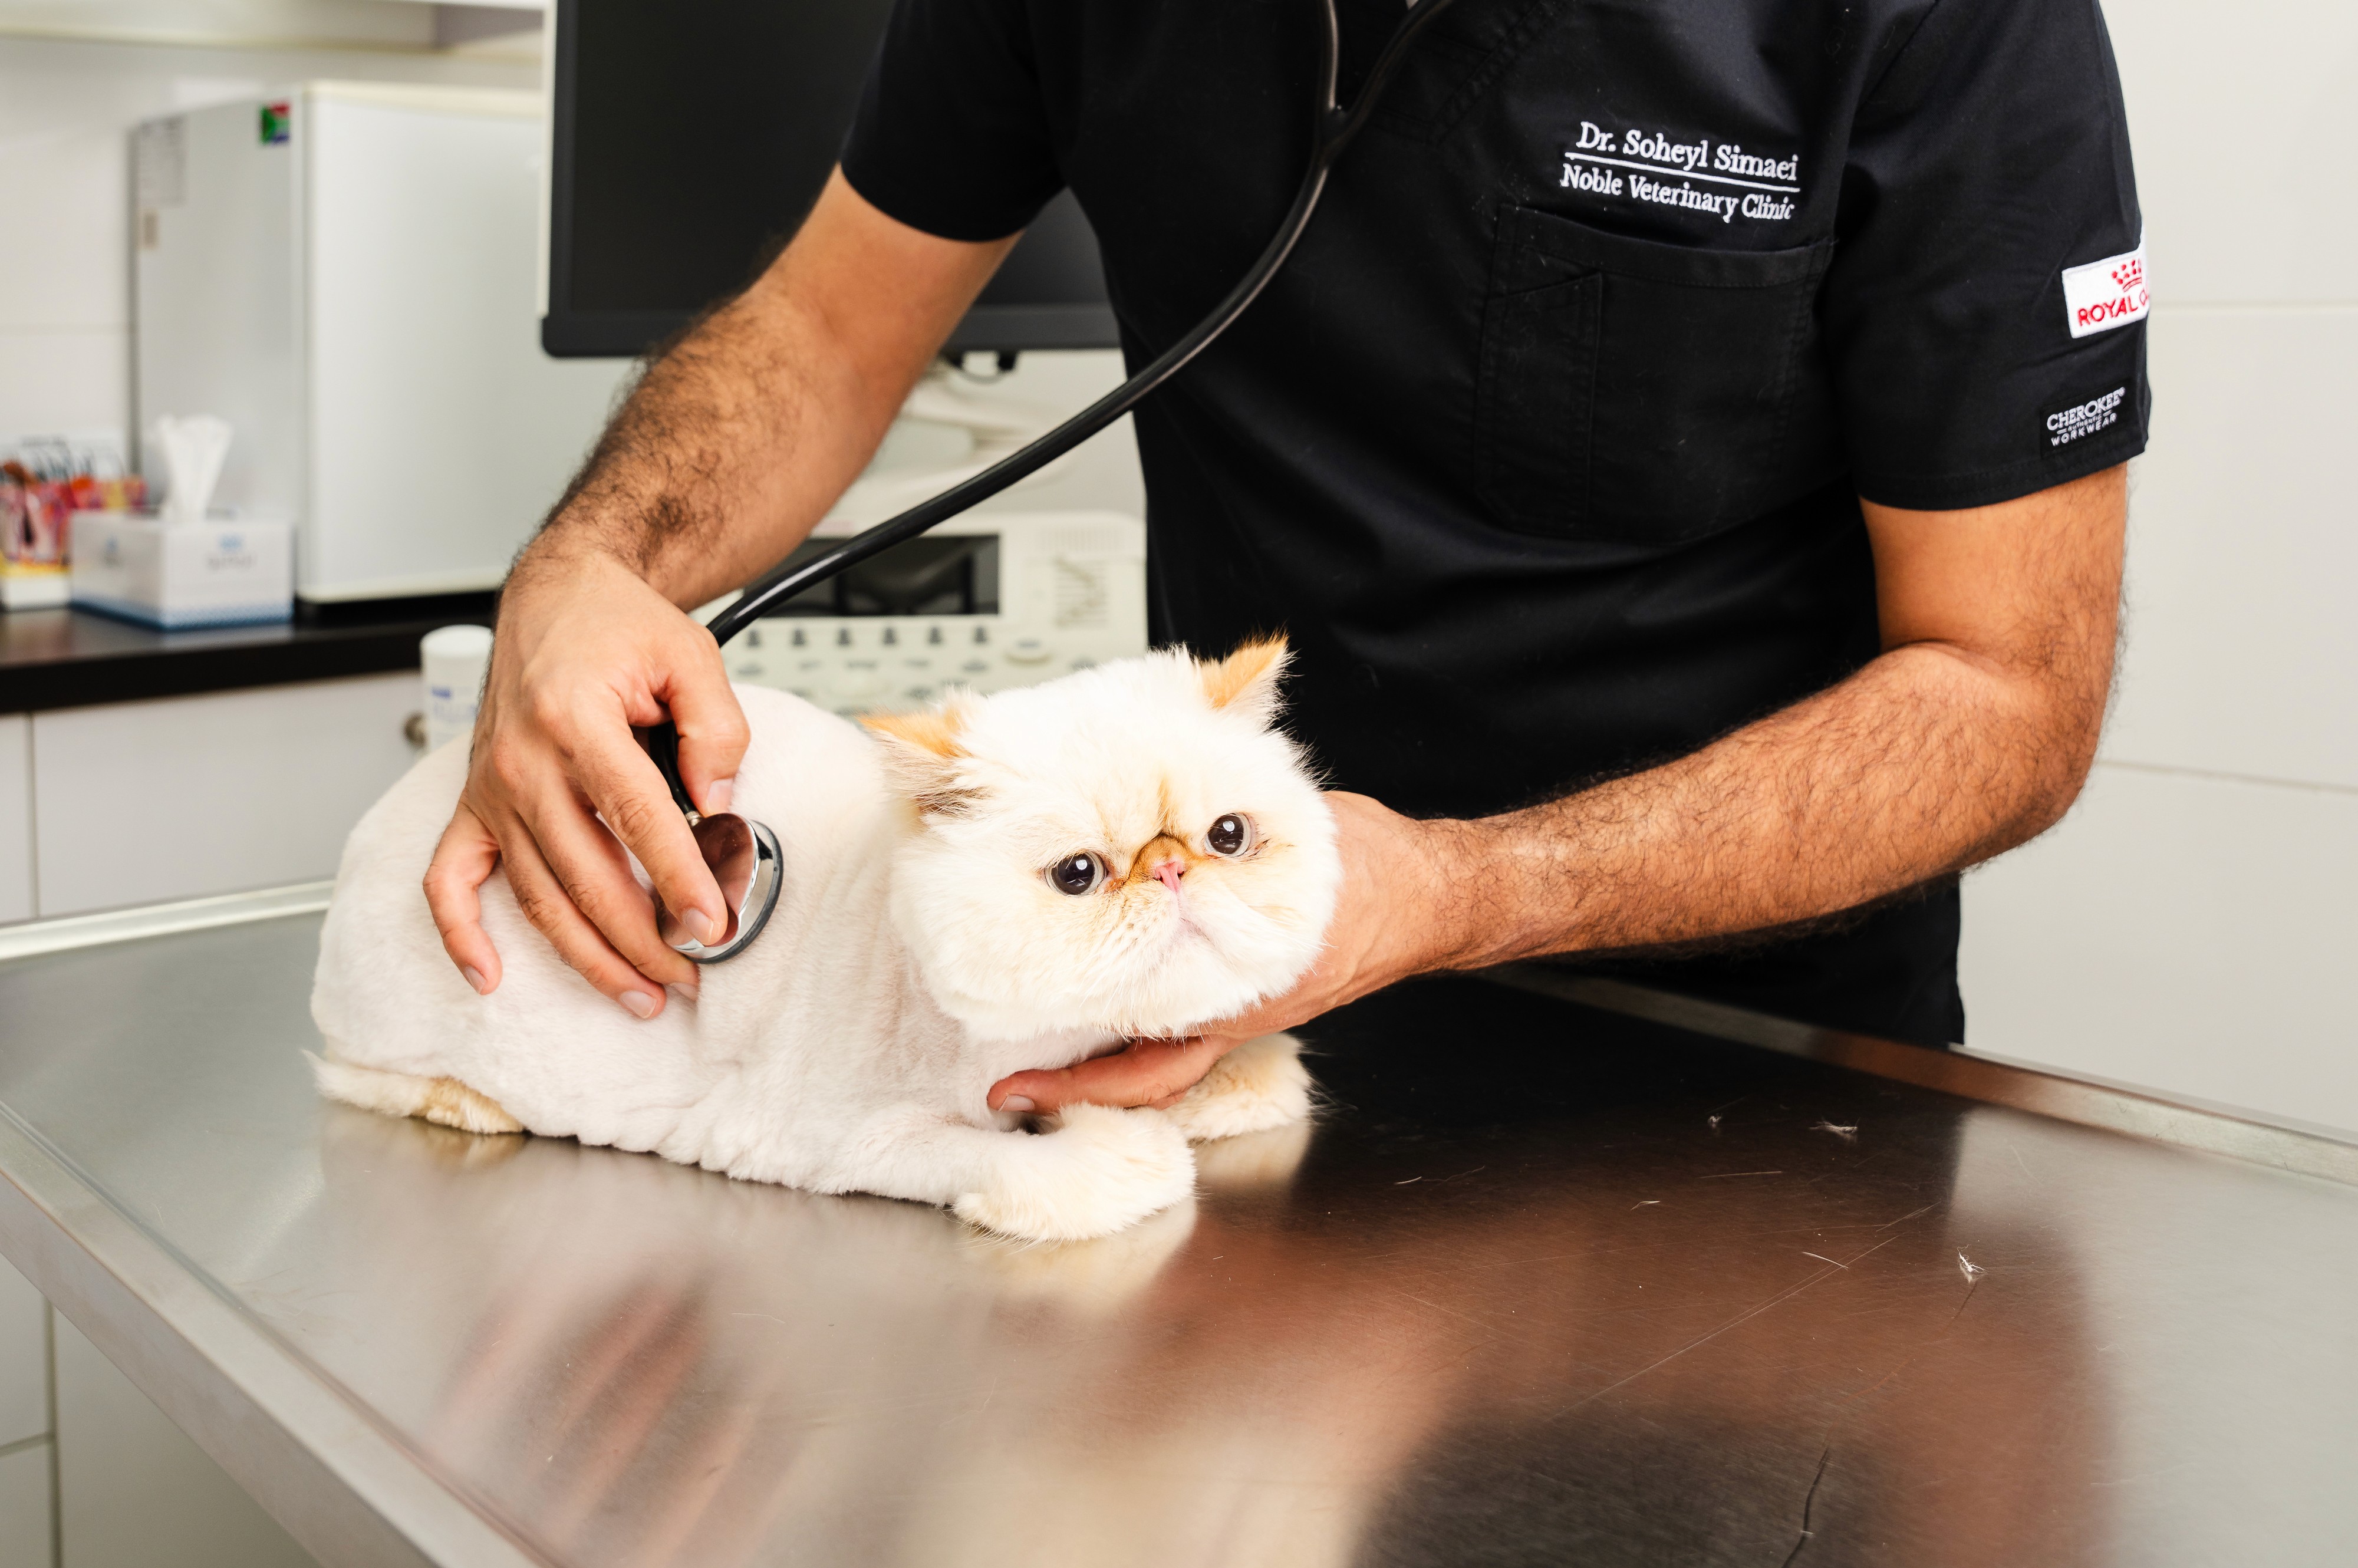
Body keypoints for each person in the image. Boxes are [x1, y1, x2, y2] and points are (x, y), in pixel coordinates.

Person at [426, 0, 2147, 1115]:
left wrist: (1466, 891)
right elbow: (822, 331)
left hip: (1751, 1079)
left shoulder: (1954, 25)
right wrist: (593, 564)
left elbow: (2011, 691)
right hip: (1223, 1039)